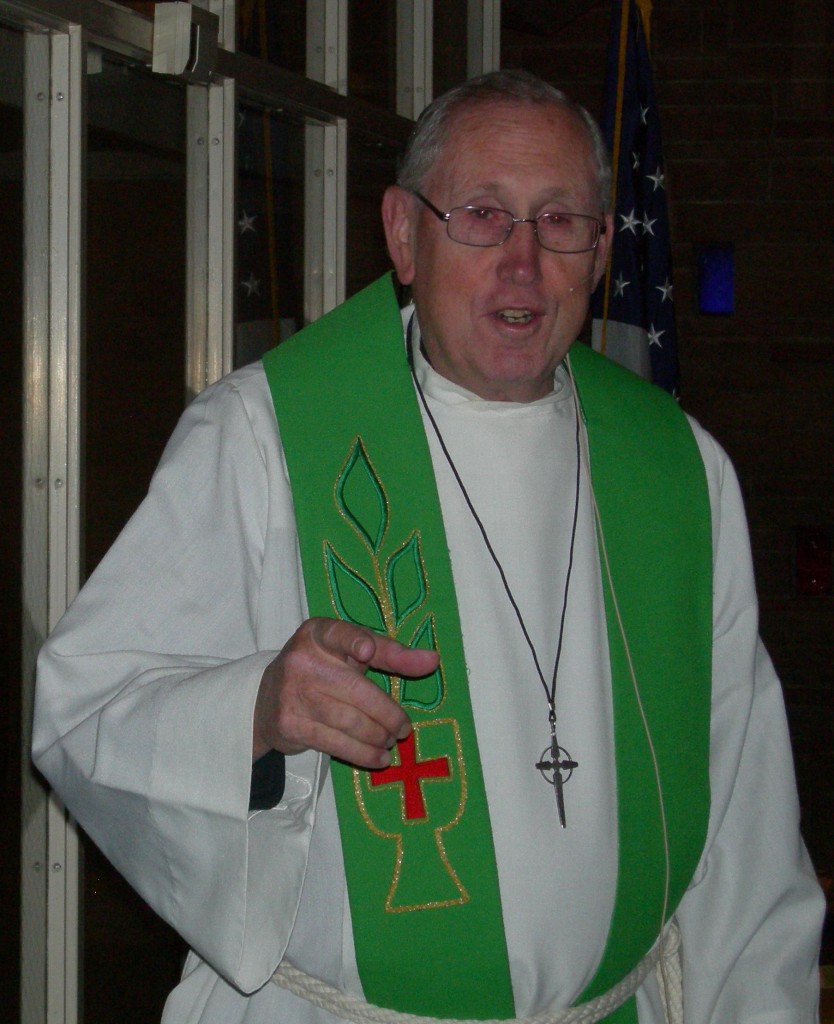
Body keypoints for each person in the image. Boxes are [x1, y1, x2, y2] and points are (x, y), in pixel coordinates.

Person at [33, 70, 823, 1024]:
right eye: (482, 215)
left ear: (602, 251)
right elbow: (84, 711)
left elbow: (745, 825)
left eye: (559, 221)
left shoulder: (678, 471)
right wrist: (256, 711)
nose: (523, 264)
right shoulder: (263, 438)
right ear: (404, 235)